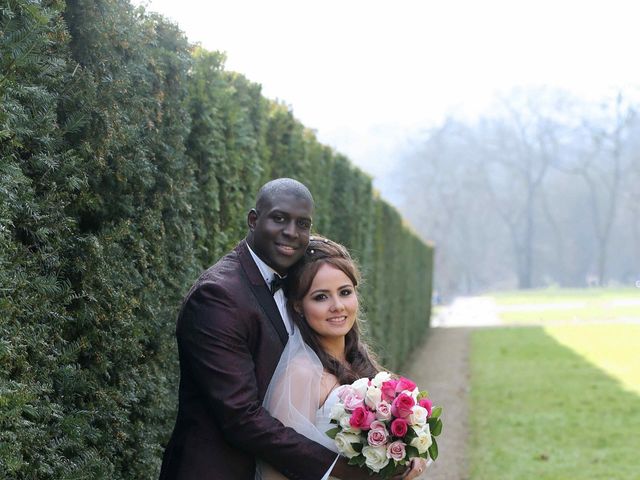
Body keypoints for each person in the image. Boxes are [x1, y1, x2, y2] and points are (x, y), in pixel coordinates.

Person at [159, 178, 421, 480]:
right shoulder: (218, 296)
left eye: (303, 223)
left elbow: (337, 347)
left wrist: (402, 447)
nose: (291, 233)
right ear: (253, 220)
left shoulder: (298, 280)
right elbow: (240, 418)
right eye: (279, 218)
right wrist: (346, 471)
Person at [256, 236, 428, 480]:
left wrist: (413, 454)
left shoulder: (360, 361)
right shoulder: (301, 374)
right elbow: (276, 471)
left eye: (344, 292)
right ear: (298, 306)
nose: (337, 306)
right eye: (321, 297)